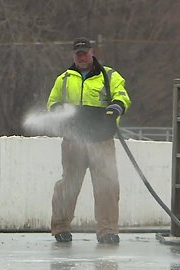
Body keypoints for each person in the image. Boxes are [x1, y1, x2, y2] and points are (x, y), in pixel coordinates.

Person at [46, 37, 131, 244]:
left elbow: (122, 96)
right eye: (78, 54)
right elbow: (52, 103)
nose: (81, 57)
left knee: (107, 187)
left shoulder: (109, 76)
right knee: (69, 185)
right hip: (73, 142)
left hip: (101, 141)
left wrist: (115, 108)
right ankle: (60, 227)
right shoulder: (64, 79)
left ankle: (108, 230)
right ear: (73, 55)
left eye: (85, 53)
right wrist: (59, 111)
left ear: (92, 53)